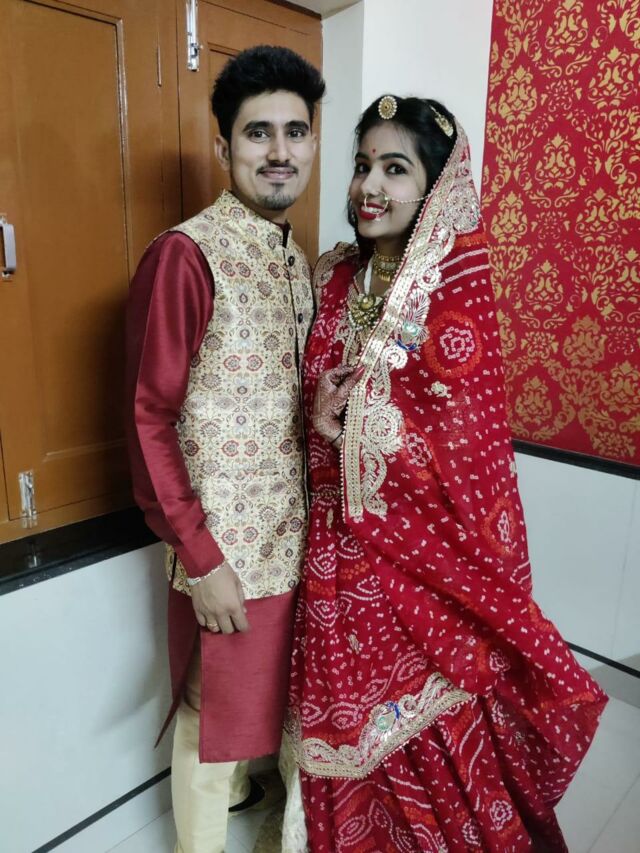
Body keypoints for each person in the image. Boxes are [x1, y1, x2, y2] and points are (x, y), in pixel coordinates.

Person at [282, 95, 607, 852]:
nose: (370, 185)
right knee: (341, 728)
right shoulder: (333, 277)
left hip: (413, 556)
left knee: (427, 724)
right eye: (363, 164)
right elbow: (299, 393)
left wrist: (357, 423)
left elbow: (464, 441)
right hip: (328, 548)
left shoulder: (449, 291)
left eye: (395, 169)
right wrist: (317, 407)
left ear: (434, 189)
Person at [125, 45, 325, 853]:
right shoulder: (186, 254)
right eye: (257, 132)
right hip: (226, 554)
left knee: (281, 704)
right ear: (223, 145)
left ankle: (269, 814)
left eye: (295, 131)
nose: (279, 151)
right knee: (210, 718)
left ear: (313, 142)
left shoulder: (296, 261)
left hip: (296, 541)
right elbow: (149, 416)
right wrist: (201, 559)